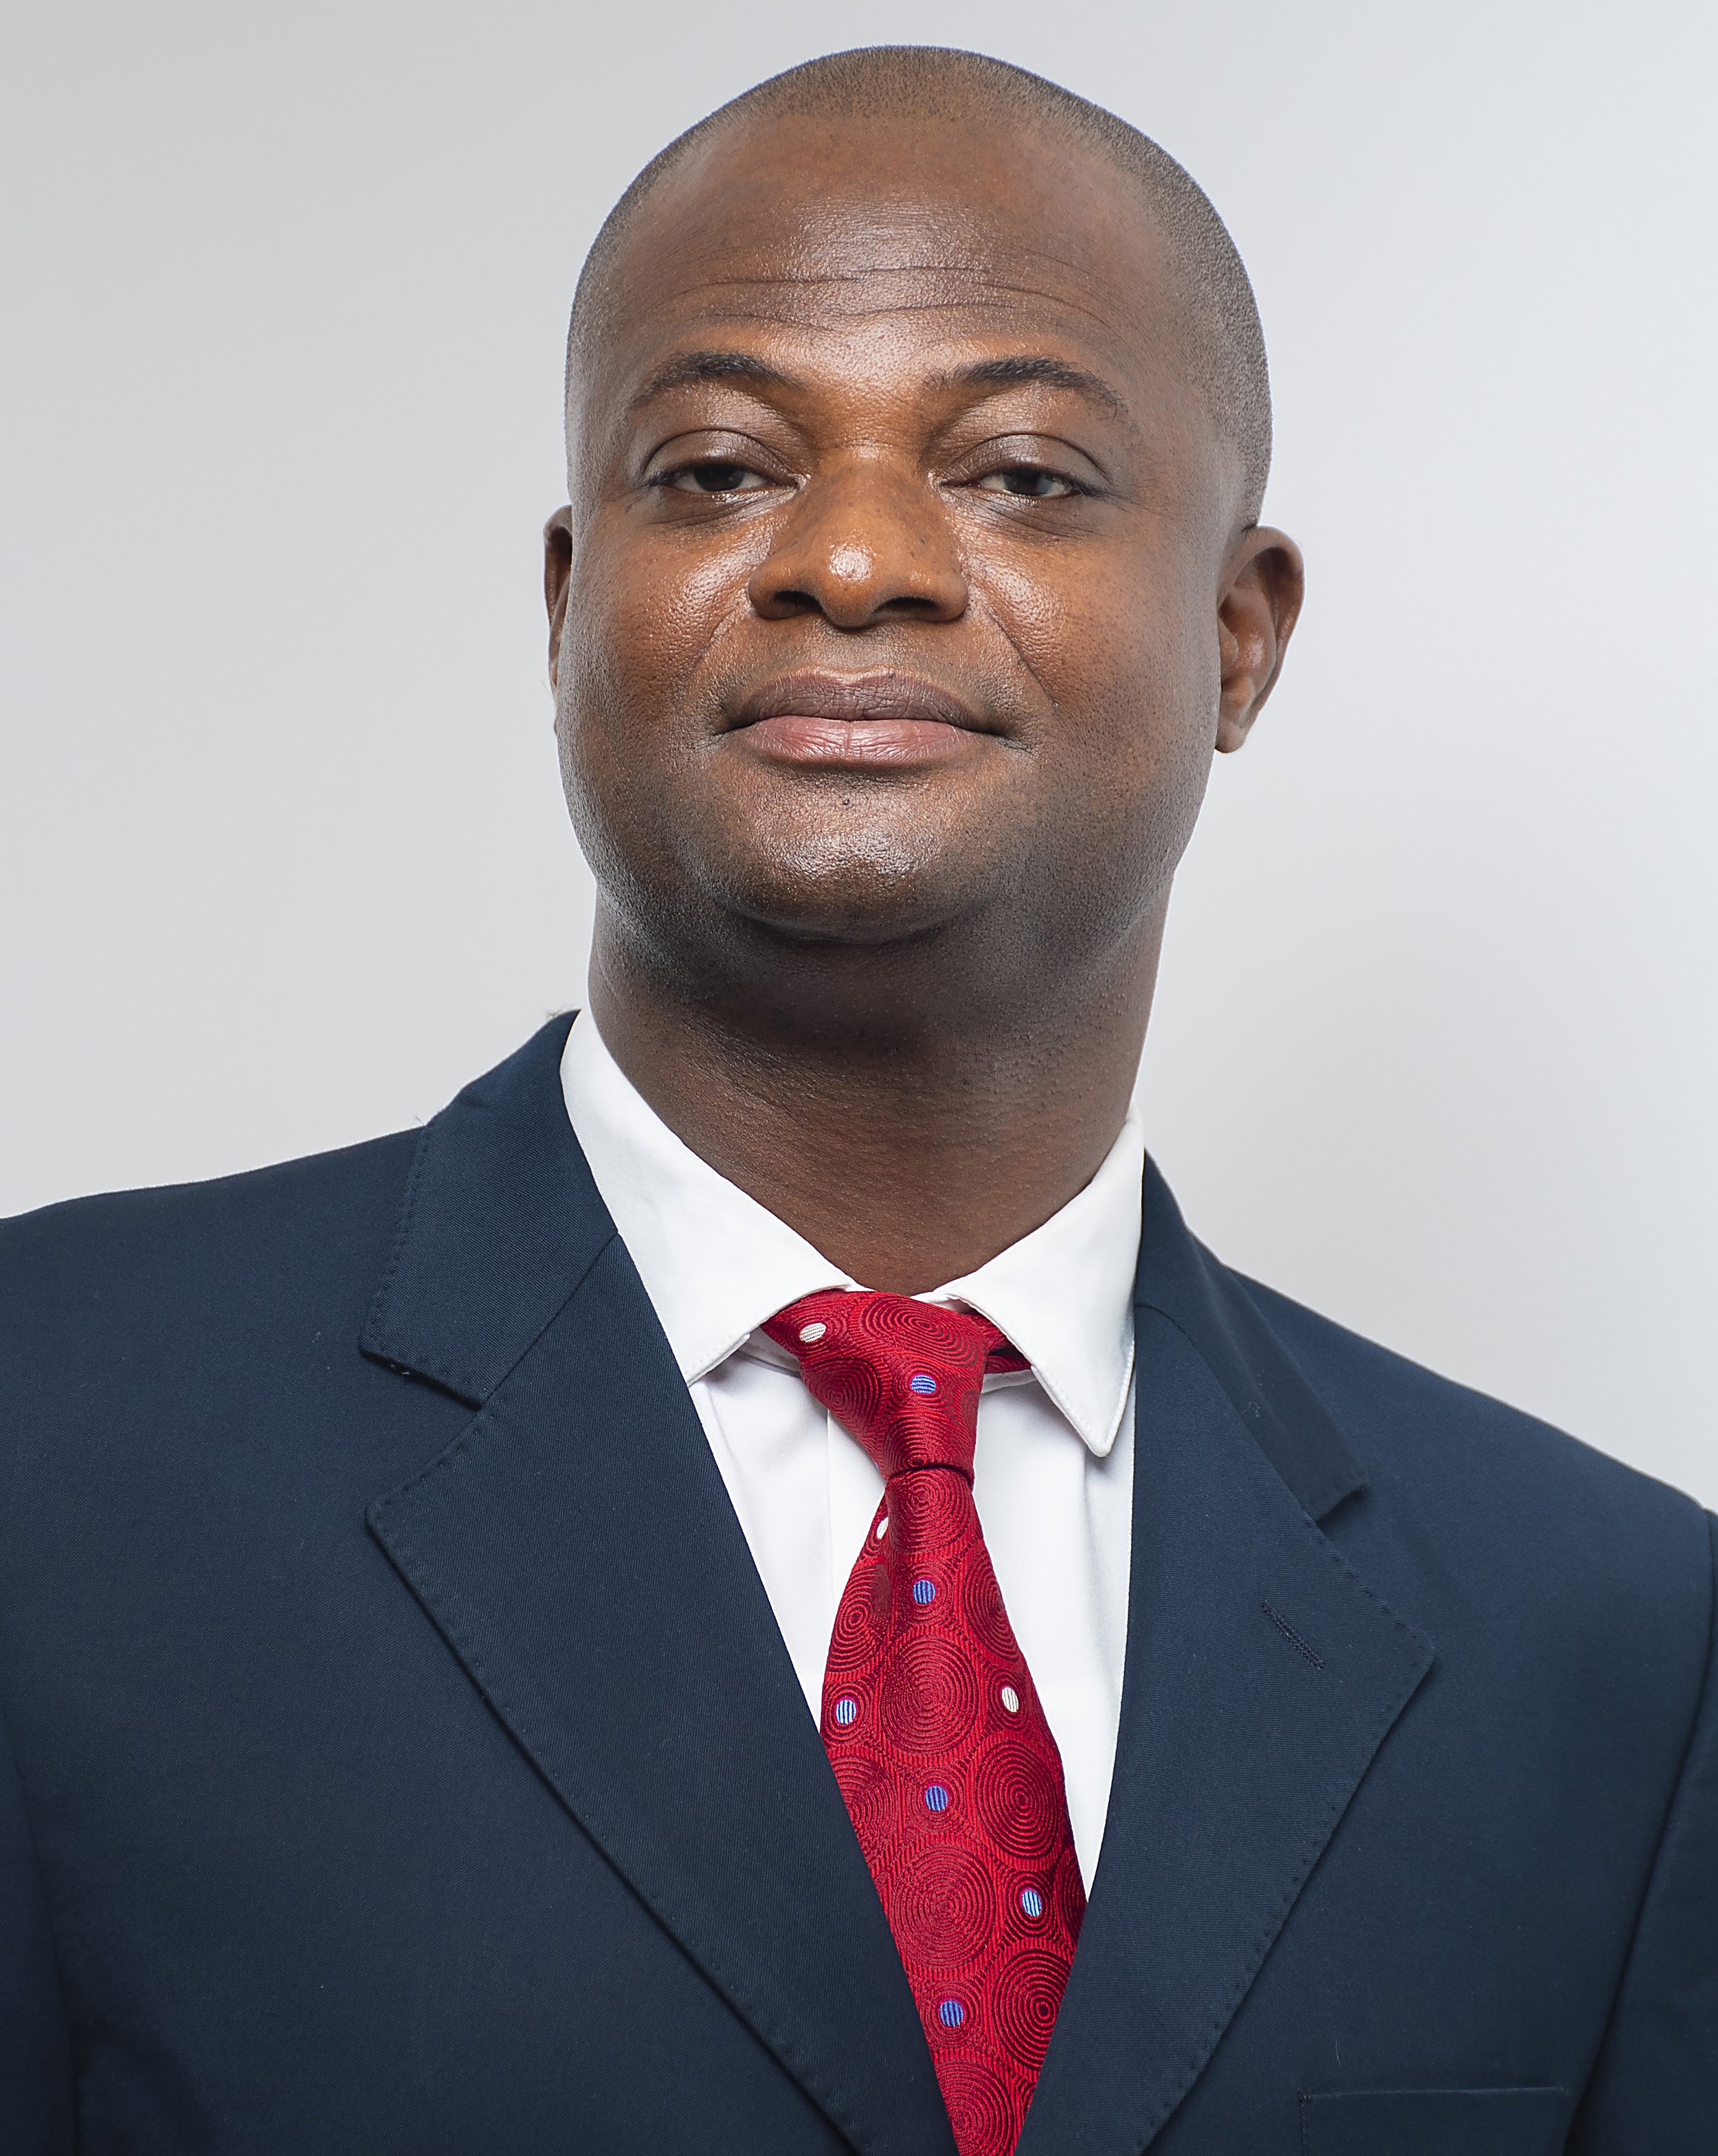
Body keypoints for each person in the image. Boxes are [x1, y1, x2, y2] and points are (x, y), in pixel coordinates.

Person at [1, 43, 1711, 2156]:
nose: (853, 556)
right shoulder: (48, 1435)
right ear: (566, 605)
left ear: (1238, 635)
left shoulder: (1610, 1644)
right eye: (719, 466)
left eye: (1025, 474)